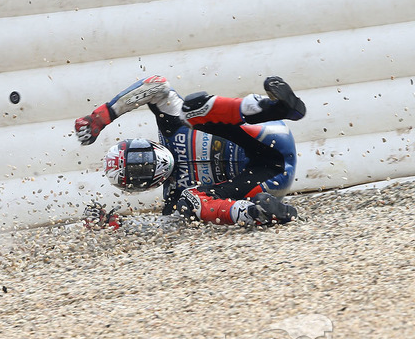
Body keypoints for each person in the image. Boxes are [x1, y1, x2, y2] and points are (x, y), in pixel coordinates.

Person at [74, 75, 307, 228]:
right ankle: (259, 213)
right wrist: (115, 223)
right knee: (187, 205)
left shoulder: (169, 126)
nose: (146, 164)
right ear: (140, 186)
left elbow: (157, 86)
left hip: (268, 137)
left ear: (142, 142)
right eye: (138, 171)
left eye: (139, 156)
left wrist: (101, 117)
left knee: (192, 109)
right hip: (267, 182)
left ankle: (277, 108)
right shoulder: (174, 196)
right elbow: (162, 226)